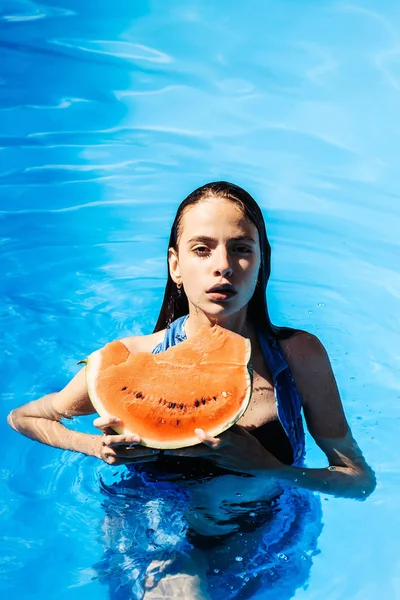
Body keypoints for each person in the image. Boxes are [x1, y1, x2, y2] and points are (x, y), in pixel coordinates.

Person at [7, 181, 376, 599]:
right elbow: (24, 417)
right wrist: (94, 448)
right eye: (202, 249)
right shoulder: (128, 361)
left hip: (270, 534)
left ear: (261, 264)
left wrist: (270, 467)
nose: (223, 265)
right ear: (175, 266)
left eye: (241, 248)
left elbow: (360, 481)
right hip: (155, 536)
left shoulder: (298, 357)